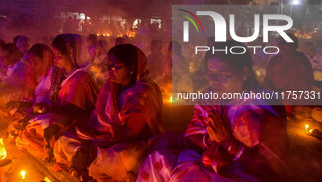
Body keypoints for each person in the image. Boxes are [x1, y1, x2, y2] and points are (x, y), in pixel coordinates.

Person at [137, 40, 288, 182]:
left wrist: (229, 144)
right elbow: (193, 134)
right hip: (209, 162)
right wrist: (211, 140)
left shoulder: (264, 106)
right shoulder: (210, 97)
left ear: (244, 73)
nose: (214, 81)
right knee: (155, 159)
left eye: (223, 76)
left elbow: (274, 170)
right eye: (210, 74)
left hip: (245, 174)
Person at [53, 44, 164, 181]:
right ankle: (83, 159)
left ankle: (87, 163)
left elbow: (130, 135)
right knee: (64, 140)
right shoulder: (111, 86)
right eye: (109, 66)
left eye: (115, 67)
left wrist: (95, 149)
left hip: (131, 144)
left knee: (112, 159)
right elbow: (98, 118)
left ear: (131, 68)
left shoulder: (143, 93)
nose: (110, 71)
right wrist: (90, 144)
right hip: (103, 137)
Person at [16, 34, 99, 160]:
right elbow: (55, 102)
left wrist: (47, 111)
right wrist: (43, 109)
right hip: (60, 117)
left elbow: (75, 112)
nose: (55, 59)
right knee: (32, 124)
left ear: (72, 55)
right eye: (54, 55)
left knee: (41, 125)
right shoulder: (60, 72)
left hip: (77, 122)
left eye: (59, 56)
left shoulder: (80, 78)